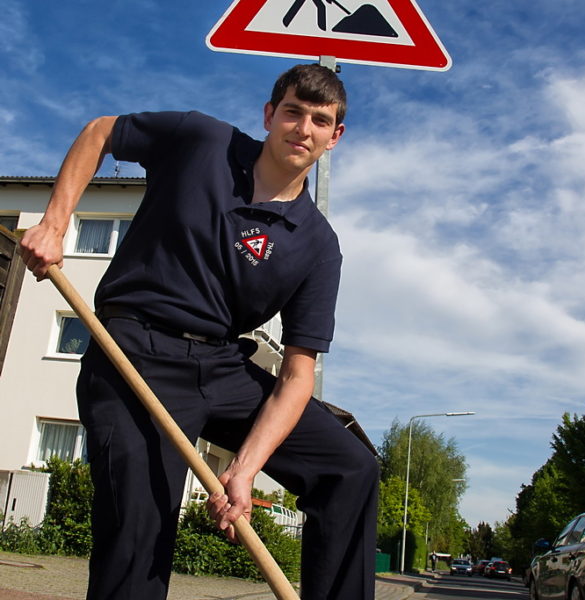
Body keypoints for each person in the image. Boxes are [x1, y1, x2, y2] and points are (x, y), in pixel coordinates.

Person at [20, 64, 379, 600]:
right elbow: (101, 131)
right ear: (269, 115)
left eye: (319, 120)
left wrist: (245, 468)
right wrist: (54, 223)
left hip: (222, 367)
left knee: (350, 468)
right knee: (139, 528)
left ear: (335, 136)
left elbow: (297, 374)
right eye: (293, 112)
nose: (303, 128)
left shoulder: (318, 244)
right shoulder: (201, 140)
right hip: (134, 353)